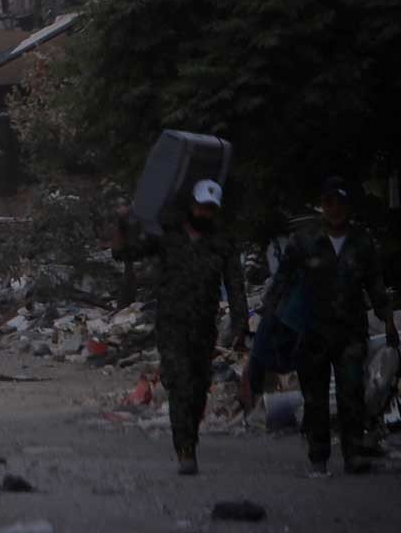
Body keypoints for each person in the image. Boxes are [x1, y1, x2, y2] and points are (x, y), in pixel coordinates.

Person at [263, 177, 398, 476]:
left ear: (348, 206)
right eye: (329, 202)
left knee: (352, 394)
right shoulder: (304, 241)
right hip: (312, 332)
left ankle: (353, 454)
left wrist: (388, 322)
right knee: (315, 398)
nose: (335, 209)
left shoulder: (361, 243)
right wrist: (271, 322)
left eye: (340, 203)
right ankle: (318, 456)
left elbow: (375, 286)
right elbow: (282, 282)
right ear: (321, 206)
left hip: (350, 332)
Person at [112, 179, 249, 475]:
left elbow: (235, 284)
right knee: (179, 383)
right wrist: (122, 224)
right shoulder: (168, 236)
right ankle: (185, 449)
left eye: (210, 209)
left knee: (198, 387)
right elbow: (123, 253)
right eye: (200, 206)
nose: (204, 213)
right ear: (190, 205)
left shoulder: (221, 243)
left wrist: (240, 322)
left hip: (204, 327)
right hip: (171, 325)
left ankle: (190, 436)